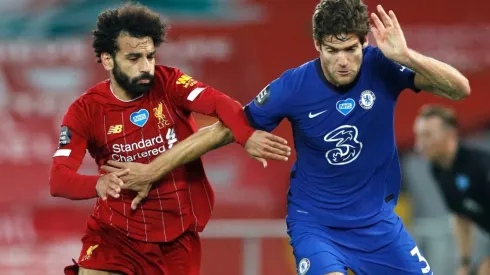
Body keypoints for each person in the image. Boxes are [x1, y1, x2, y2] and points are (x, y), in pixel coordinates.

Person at [49, 3, 291, 275]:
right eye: (133, 59)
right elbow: (59, 180)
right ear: (107, 59)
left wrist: (245, 137)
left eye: (150, 56)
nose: (146, 67)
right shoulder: (85, 110)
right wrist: (100, 183)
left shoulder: (170, 82)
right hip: (115, 233)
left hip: (175, 236)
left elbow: (223, 104)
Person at [242, 0, 471, 274]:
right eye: (332, 50)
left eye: (350, 49)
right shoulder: (292, 86)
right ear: (317, 44)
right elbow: (234, 123)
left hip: (377, 225)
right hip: (316, 225)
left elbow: (460, 89)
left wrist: (406, 56)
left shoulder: (383, 65)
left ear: (364, 41)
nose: (342, 61)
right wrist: (244, 136)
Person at [414, 105, 490, 275]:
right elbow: (461, 217)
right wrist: (464, 263)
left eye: (427, 135)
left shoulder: (480, 166)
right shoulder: (437, 169)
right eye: (418, 135)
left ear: (450, 134)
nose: (419, 143)